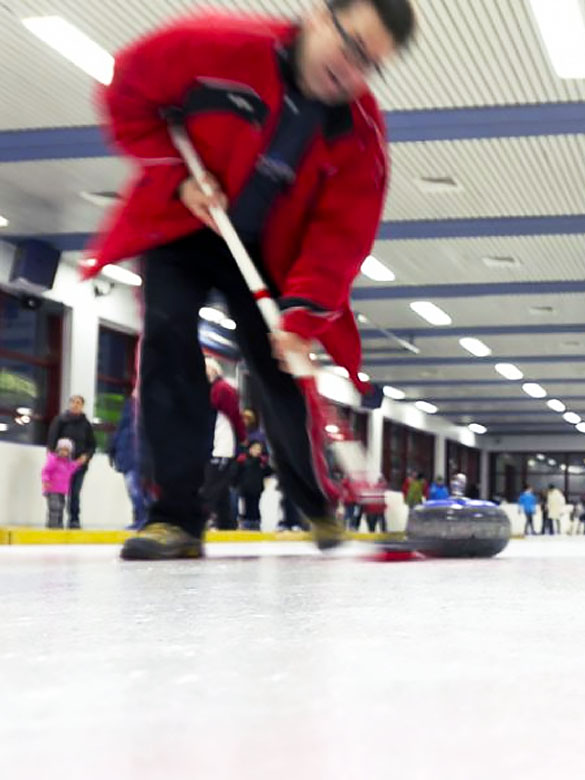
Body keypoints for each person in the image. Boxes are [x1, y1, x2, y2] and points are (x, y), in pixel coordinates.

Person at [87, 0, 417, 559]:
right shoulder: (213, 45)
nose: (353, 70)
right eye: (351, 45)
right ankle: (174, 519)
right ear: (319, 17)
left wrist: (303, 315)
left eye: (370, 64)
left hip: (270, 253)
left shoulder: (358, 135)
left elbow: (340, 236)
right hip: (185, 220)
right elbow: (127, 94)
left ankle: (316, 503)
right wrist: (175, 177)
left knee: (280, 373)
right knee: (167, 338)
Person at [202, 359, 247, 531]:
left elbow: (235, 417)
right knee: (220, 489)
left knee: (211, 486)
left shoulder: (222, 390)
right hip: (215, 446)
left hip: (221, 446)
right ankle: (227, 523)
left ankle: (203, 519)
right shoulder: (210, 389)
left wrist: (242, 439)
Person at [46, 395, 96, 530]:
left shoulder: (86, 425)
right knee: (58, 494)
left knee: (75, 493)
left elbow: (92, 445)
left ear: (82, 406)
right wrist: (52, 460)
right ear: (69, 404)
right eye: (73, 402)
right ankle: (56, 521)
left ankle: (74, 520)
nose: (75, 404)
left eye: (78, 402)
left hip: (79, 465)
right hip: (60, 466)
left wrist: (86, 457)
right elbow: (51, 442)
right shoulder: (60, 420)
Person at [108, 396, 149, 530]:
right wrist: (113, 449)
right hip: (129, 457)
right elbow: (120, 429)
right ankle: (141, 518)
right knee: (136, 490)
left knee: (139, 491)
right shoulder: (130, 408)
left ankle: (145, 519)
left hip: (141, 458)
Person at [41, 438, 83, 529]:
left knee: (60, 508)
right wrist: (46, 481)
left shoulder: (67, 463)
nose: (64, 452)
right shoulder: (53, 460)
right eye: (62, 450)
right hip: (52, 489)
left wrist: (78, 463)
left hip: (62, 490)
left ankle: (58, 525)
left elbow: (71, 469)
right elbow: (46, 471)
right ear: (58, 450)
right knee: (54, 508)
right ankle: (53, 525)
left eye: (66, 450)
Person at [233, 440, 273, 530]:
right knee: (247, 505)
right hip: (245, 488)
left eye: (259, 449)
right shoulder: (243, 460)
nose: (257, 451)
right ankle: (247, 521)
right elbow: (236, 472)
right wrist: (236, 483)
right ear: (250, 449)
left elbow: (269, 472)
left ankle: (256, 521)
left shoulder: (261, 462)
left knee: (255, 505)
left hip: (257, 488)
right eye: (255, 449)